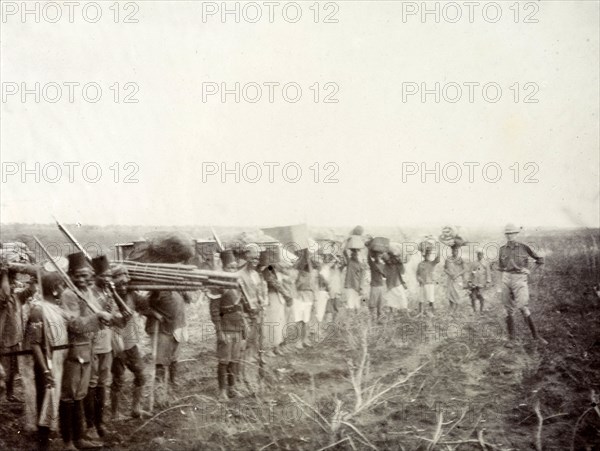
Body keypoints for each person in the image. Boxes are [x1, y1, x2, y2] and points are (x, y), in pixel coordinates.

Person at [59, 252, 113, 450]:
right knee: (69, 395)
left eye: (85, 275)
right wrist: (97, 317)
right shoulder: (69, 294)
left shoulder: (87, 292)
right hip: (73, 351)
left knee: (80, 394)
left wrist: (105, 316)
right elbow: (73, 324)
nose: (82, 279)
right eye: (77, 276)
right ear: (70, 276)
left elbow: (97, 319)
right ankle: (67, 441)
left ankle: (79, 437)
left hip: (88, 349)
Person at [25, 273, 69, 451]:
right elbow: (34, 344)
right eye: (61, 286)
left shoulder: (56, 308)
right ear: (54, 289)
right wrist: (45, 370)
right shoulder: (38, 310)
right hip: (46, 360)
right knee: (45, 399)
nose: (63, 290)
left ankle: (48, 435)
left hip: (58, 359)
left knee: (54, 398)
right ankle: (42, 443)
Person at [84, 255, 120, 440]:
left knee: (102, 386)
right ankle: (90, 425)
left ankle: (100, 423)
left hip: (106, 345)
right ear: (96, 275)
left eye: (109, 275)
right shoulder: (89, 292)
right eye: (104, 275)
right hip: (91, 346)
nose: (107, 279)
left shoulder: (108, 293)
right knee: (91, 386)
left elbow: (114, 318)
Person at [498, 223, 547, 346]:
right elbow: (501, 266)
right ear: (505, 235)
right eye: (507, 233)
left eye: (512, 233)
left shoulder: (524, 247)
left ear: (516, 234)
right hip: (506, 278)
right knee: (508, 309)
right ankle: (512, 339)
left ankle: (536, 336)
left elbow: (540, 260)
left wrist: (529, 270)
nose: (509, 235)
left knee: (522, 306)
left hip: (520, 278)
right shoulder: (502, 249)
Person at [110, 265, 148, 419]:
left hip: (130, 343)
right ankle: (114, 414)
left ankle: (136, 409)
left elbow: (145, 305)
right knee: (118, 378)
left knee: (141, 375)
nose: (124, 287)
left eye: (126, 284)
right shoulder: (109, 297)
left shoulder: (132, 295)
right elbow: (115, 318)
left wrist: (155, 293)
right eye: (120, 284)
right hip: (115, 344)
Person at [208, 249, 245, 400]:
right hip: (225, 327)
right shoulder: (217, 285)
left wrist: (243, 328)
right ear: (223, 268)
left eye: (235, 267)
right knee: (224, 360)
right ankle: (222, 390)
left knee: (234, 360)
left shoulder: (237, 284)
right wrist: (219, 331)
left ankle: (232, 387)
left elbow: (241, 307)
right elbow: (214, 311)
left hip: (237, 326)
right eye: (230, 267)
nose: (233, 270)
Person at [0, 264, 36, 403]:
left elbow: (31, 291)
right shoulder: (3, 297)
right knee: (5, 371)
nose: (14, 282)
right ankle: (5, 395)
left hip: (14, 340)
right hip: (3, 341)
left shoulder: (16, 297)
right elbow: (5, 293)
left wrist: (33, 279)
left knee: (13, 370)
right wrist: (4, 272)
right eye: (11, 281)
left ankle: (10, 394)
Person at [237, 245, 267, 390]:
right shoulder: (239, 275)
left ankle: (252, 377)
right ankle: (240, 379)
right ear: (246, 256)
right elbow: (238, 298)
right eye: (253, 257)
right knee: (243, 347)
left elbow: (260, 293)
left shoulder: (257, 275)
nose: (255, 259)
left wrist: (262, 301)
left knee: (255, 347)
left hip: (257, 316)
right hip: (244, 316)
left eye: (257, 257)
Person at [259, 249, 291, 356]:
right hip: (270, 297)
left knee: (279, 322)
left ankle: (276, 346)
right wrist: (285, 294)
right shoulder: (265, 270)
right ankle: (269, 348)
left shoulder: (273, 269)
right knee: (272, 323)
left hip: (277, 297)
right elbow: (274, 283)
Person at [293, 249, 316, 349]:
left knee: (306, 320)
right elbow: (296, 282)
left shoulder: (310, 266)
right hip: (299, 295)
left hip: (308, 295)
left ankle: (304, 339)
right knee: (299, 319)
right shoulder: (297, 266)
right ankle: (298, 341)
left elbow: (313, 283)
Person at [416, 248, 440, 317]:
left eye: (429, 255)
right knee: (421, 299)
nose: (427, 256)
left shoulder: (432, 263)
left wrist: (438, 249)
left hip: (430, 283)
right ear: (424, 255)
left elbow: (438, 259)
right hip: (422, 284)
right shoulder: (420, 264)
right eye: (426, 255)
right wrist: (419, 279)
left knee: (431, 299)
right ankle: (420, 312)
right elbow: (417, 274)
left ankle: (431, 313)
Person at [466, 249, 491, 315]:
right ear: (477, 255)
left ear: (483, 255)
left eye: (481, 254)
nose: (480, 256)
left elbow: (488, 273)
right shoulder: (474, 263)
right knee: (473, 297)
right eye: (478, 254)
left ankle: (481, 310)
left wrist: (488, 282)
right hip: (474, 282)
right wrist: (469, 281)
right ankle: (474, 310)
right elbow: (470, 273)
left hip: (482, 282)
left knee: (482, 297)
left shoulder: (485, 263)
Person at [444, 245, 467, 314]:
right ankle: (451, 308)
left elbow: (465, 269)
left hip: (458, 279)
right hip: (450, 279)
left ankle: (456, 309)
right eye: (453, 250)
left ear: (458, 251)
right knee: (450, 293)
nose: (455, 252)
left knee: (457, 294)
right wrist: (449, 273)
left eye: (456, 251)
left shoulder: (460, 259)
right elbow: (445, 269)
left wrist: (458, 274)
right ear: (451, 251)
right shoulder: (448, 259)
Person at [367, 248, 387, 322]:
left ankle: (379, 319)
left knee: (380, 303)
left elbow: (385, 276)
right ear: (374, 257)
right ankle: (372, 318)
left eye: (379, 256)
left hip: (381, 286)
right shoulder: (372, 264)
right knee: (372, 304)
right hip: (374, 286)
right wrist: (369, 248)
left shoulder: (382, 265)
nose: (378, 257)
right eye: (376, 256)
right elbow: (368, 258)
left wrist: (382, 272)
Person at [343, 248, 364, 313]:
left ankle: (355, 318)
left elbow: (361, 277)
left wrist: (361, 287)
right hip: (350, 285)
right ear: (352, 255)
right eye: (353, 254)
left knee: (356, 304)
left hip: (356, 286)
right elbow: (345, 253)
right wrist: (345, 246)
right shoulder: (349, 261)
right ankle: (351, 318)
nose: (355, 255)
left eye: (356, 254)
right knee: (350, 304)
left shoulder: (360, 264)